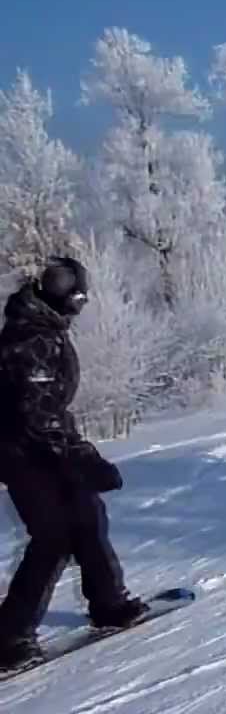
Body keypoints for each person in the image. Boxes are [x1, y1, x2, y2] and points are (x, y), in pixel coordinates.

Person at [0, 257, 148, 670]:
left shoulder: (43, 329)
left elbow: (49, 413)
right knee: (53, 536)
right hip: (19, 450)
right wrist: (83, 456)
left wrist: (77, 454)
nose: (80, 306)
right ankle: (9, 636)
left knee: (86, 514)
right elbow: (37, 414)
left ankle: (108, 602)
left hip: (42, 445)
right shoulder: (32, 338)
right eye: (77, 297)